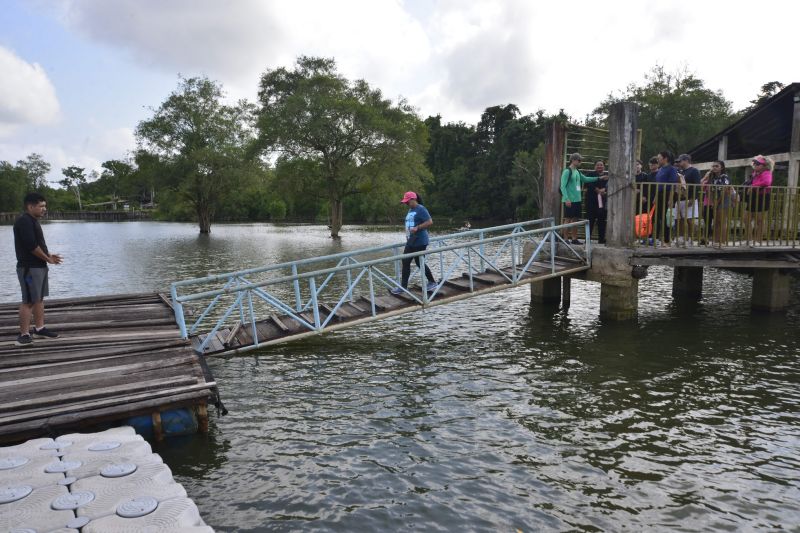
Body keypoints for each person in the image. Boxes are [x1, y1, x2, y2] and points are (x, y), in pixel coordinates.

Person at [13, 192, 63, 346]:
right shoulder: (24, 221)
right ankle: (24, 335)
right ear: (30, 206)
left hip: (39, 266)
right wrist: (48, 259)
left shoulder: (32, 221)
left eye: (44, 206)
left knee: (39, 298)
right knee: (28, 301)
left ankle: (39, 329)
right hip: (29, 268)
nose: (44, 209)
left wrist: (48, 255)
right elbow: (31, 246)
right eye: (41, 206)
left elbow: (37, 245)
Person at [391, 191, 437, 295]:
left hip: (420, 241)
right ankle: (403, 287)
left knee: (418, 262)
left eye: (407, 201)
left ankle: (432, 282)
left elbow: (430, 221)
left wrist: (418, 227)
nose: (406, 203)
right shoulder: (411, 210)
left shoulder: (421, 209)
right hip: (411, 240)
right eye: (405, 202)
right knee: (406, 261)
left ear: (413, 199)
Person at [560, 153, 599, 245]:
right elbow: (562, 186)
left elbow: (585, 179)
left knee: (575, 219)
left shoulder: (577, 171)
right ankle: (565, 239)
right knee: (567, 219)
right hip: (569, 200)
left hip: (577, 200)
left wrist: (598, 178)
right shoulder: (567, 171)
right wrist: (566, 198)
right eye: (579, 160)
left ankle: (574, 238)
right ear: (573, 160)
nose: (580, 162)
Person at [700, 160, 733, 246]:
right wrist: (712, 202)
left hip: (724, 199)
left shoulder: (724, 177)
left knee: (722, 221)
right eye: (713, 166)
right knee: (717, 221)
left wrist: (717, 202)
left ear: (722, 167)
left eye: (717, 166)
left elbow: (725, 190)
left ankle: (723, 241)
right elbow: (709, 190)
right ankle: (716, 240)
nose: (714, 168)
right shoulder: (712, 177)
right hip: (715, 200)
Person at [742, 155, 774, 243]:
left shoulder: (767, 172)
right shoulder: (755, 173)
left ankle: (758, 240)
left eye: (758, 164)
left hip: (762, 197)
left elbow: (767, 182)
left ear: (764, 166)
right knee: (746, 218)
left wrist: (753, 186)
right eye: (755, 163)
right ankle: (749, 239)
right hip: (753, 196)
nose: (755, 165)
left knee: (759, 220)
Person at [653, 151, 679, 245]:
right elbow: (658, 185)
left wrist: (670, 199)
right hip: (660, 194)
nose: (657, 160)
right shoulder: (660, 169)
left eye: (659, 158)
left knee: (666, 218)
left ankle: (667, 240)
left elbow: (672, 184)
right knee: (660, 217)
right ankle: (661, 238)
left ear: (665, 158)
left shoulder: (672, 169)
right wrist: (656, 197)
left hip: (668, 194)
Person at [675, 154, 701, 245]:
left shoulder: (694, 171)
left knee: (689, 219)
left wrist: (693, 198)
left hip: (689, 198)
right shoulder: (680, 171)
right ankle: (681, 237)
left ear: (686, 160)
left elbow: (697, 185)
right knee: (679, 219)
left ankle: (691, 238)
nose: (679, 163)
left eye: (680, 161)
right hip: (679, 199)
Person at [584, 160, 609, 244]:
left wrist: (604, 190)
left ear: (604, 166)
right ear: (594, 166)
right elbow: (587, 184)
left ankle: (601, 239)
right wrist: (596, 189)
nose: (599, 166)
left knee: (602, 220)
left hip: (602, 201)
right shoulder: (590, 175)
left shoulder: (607, 176)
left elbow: (609, 186)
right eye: (598, 165)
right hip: (591, 201)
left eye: (601, 165)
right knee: (590, 220)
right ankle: (587, 239)